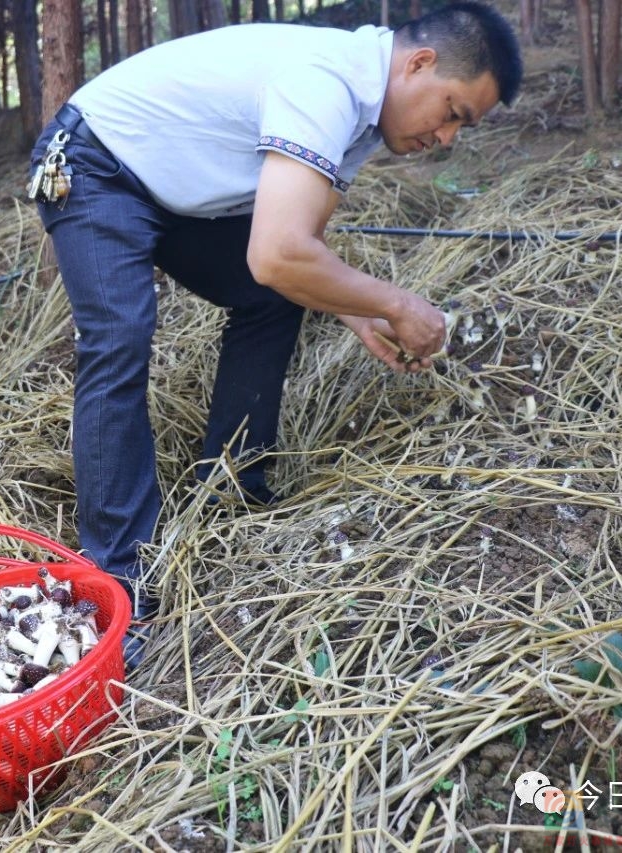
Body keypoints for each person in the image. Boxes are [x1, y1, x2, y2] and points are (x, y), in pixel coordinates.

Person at [29, 3, 522, 633]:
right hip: (95, 163)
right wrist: (397, 303)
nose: (447, 138)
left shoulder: (366, 118)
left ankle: (232, 489)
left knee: (271, 296)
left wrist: (354, 311)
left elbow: (300, 251)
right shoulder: (327, 83)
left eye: (462, 128)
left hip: (174, 191)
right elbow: (278, 253)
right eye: (452, 113)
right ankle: (118, 579)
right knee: (118, 337)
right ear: (419, 63)